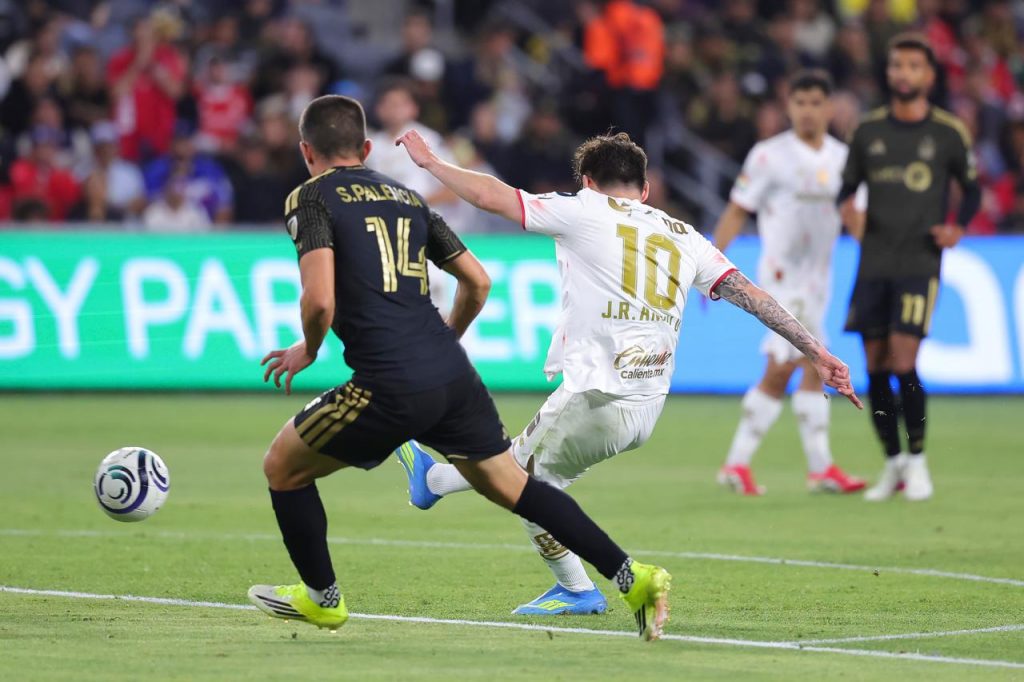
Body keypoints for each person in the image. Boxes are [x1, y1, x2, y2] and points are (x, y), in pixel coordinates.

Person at [247, 95, 674, 642]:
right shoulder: (406, 197)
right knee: (516, 487)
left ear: (307, 151)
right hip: (452, 374)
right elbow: (477, 281)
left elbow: (319, 300)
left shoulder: (309, 196)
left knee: (282, 466)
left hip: (386, 379)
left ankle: (323, 598)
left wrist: (308, 348)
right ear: (368, 148)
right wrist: (444, 342)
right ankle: (632, 577)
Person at [392, 128, 862, 615]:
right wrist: (816, 351)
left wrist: (432, 164)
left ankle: (576, 588)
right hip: (648, 406)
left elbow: (494, 196)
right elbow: (753, 296)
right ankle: (436, 481)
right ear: (646, 189)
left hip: (597, 396)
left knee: (526, 487)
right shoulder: (685, 235)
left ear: (587, 182)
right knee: (524, 465)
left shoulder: (583, 209)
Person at [838, 34, 981, 502]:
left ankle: (918, 461)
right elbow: (846, 190)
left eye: (913, 66)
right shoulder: (867, 131)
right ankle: (893, 463)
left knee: (904, 361)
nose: (903, 73)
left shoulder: (947, 132)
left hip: (919, 262)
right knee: (875, 368)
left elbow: (972, 188)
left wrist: (957, 226)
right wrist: (849, 212)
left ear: (929, 76)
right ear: (889, 72)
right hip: (873, 263)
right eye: (897, 65)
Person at [714, 70, 866, 496]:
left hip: (819, 280)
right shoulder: (768, 156)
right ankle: (736, 463)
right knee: (782, 367)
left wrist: (877, 258)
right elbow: (737, 209)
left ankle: (819, 468)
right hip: (781, 280)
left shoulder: (843, 158)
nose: (808, 111)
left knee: (818, 367)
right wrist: (711, 263)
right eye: (800, 103)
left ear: (829, 108)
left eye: (816, 103)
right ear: (789, 107)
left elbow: (854, 216)